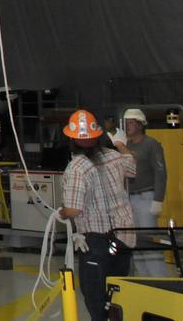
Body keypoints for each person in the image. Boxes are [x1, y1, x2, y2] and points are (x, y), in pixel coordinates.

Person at [58, 108, 135, 321]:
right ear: (98, 135)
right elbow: (132, 166)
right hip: (123, 239)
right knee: (118, 295)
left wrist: (62, 213)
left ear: (71, 139)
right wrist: (120, 143)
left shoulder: (76, 168)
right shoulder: (113, 156)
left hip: (98, 243)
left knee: (96, 298)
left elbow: (74, 209)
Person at [121, 108, 168, 276]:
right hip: (129, 199)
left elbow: (160, 172)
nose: (128, 126)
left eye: (131, 123)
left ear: (140, 125)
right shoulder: (125, 146)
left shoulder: (151, 144)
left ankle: (160, 283)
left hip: (146, 197)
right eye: (126, 123)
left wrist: (158, 199)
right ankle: (145, 283)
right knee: (135, 245)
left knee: (148, 246)